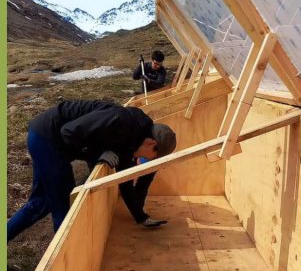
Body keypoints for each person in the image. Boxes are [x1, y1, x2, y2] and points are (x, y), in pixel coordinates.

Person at [7, 100, 177, 242]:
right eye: (153, 158)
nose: (147, 161)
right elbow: (68, 132)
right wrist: (97, 155)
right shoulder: (121, 120)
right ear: (152, 144)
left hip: (44, 137)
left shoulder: (132, 141)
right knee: (64, 205)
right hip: (47, 137)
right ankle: (66, 260)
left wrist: (141, 216)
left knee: (41, 202)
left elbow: (124, 180)